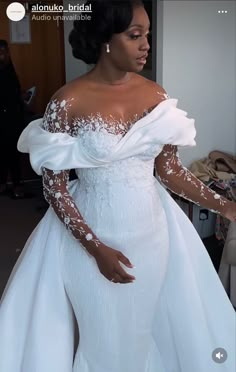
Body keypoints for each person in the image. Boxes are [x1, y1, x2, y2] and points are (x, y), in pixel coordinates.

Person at [0, 1, 235, 371]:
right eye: (134, 36)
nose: (146, 46)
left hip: (151, 234)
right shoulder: (66, 102)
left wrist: (226, 206)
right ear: (105, 41)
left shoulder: (155, 96)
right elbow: (55, 189)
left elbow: (170, 171)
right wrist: (96, 250)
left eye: (148, 36)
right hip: (91, 236)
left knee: (139, 332)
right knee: (103, 337)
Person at [0, 40, 25, 198]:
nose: (3, 55)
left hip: (13, 117)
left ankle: (16, 184)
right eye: (0, 52)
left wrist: (22, 97)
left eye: (5, 51)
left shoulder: (10, 70)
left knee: (14, 152)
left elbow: (13, 92)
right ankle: (2, 183)